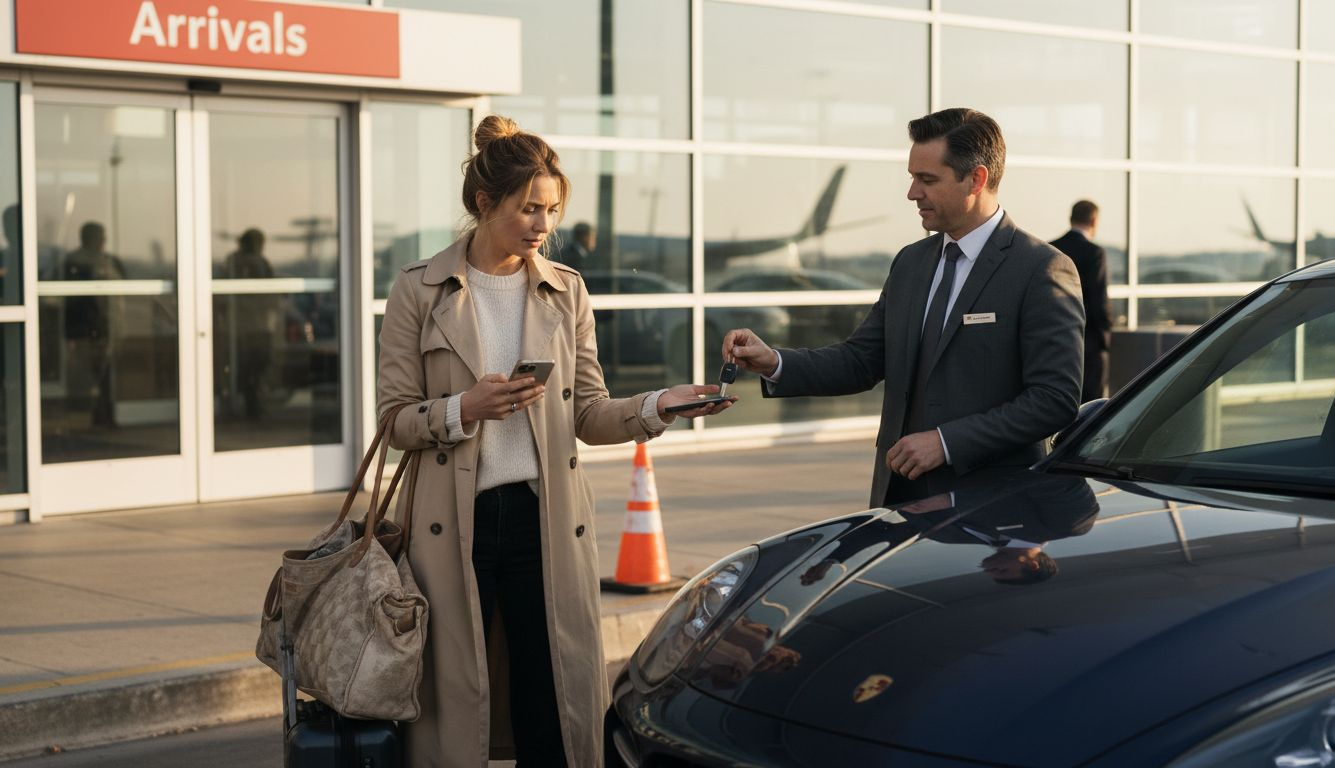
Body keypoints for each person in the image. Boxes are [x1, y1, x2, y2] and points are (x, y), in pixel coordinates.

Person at [377, 115, 733, 768]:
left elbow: (590, 413)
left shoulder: (565, 290)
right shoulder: (418, 291)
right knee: (457, 694)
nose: (543, 224)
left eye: (552, 210)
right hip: (453, 524)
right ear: (486, 204)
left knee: (553, 693)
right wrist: (464, 407)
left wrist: (659, 405)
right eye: (529, 208)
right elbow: (395, 418)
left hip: (545, 517)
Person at [723, 108, 1085, 507]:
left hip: (992, 511)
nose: (912, 193)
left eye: (927, 179)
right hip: (897, 497)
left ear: (976, 179)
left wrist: (946, 443)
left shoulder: (1041, 268)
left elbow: (1054, 399)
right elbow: (861, 360)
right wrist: (774, 361)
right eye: (913, 177)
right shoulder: (911, 262)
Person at [63, 221, 126, 427]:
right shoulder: (76, 262)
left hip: (107, 326)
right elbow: (72, 301)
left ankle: (103, 414)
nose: (104, 241)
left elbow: (125, 287)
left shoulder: (108, 261)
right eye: (100, 236)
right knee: (95, 374)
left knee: (105, 372)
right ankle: (97, 415)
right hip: (89, 328)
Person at [1051, 200, 1113, 402]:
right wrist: (1106, 338)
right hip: (1088, 343)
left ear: (1071, 219)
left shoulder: (1050, 249)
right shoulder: (1095, 253)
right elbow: (1098, 302)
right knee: (1090, 407)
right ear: (1094, 221)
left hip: (1052, 339)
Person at [221, 228, 276, 420]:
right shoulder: (259, 263)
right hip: (256, 327)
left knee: (245, 370)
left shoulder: (231, 262)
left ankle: (249, 408)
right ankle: (254, 409)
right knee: (256, 369)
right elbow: (271, 295)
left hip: (240, 326)